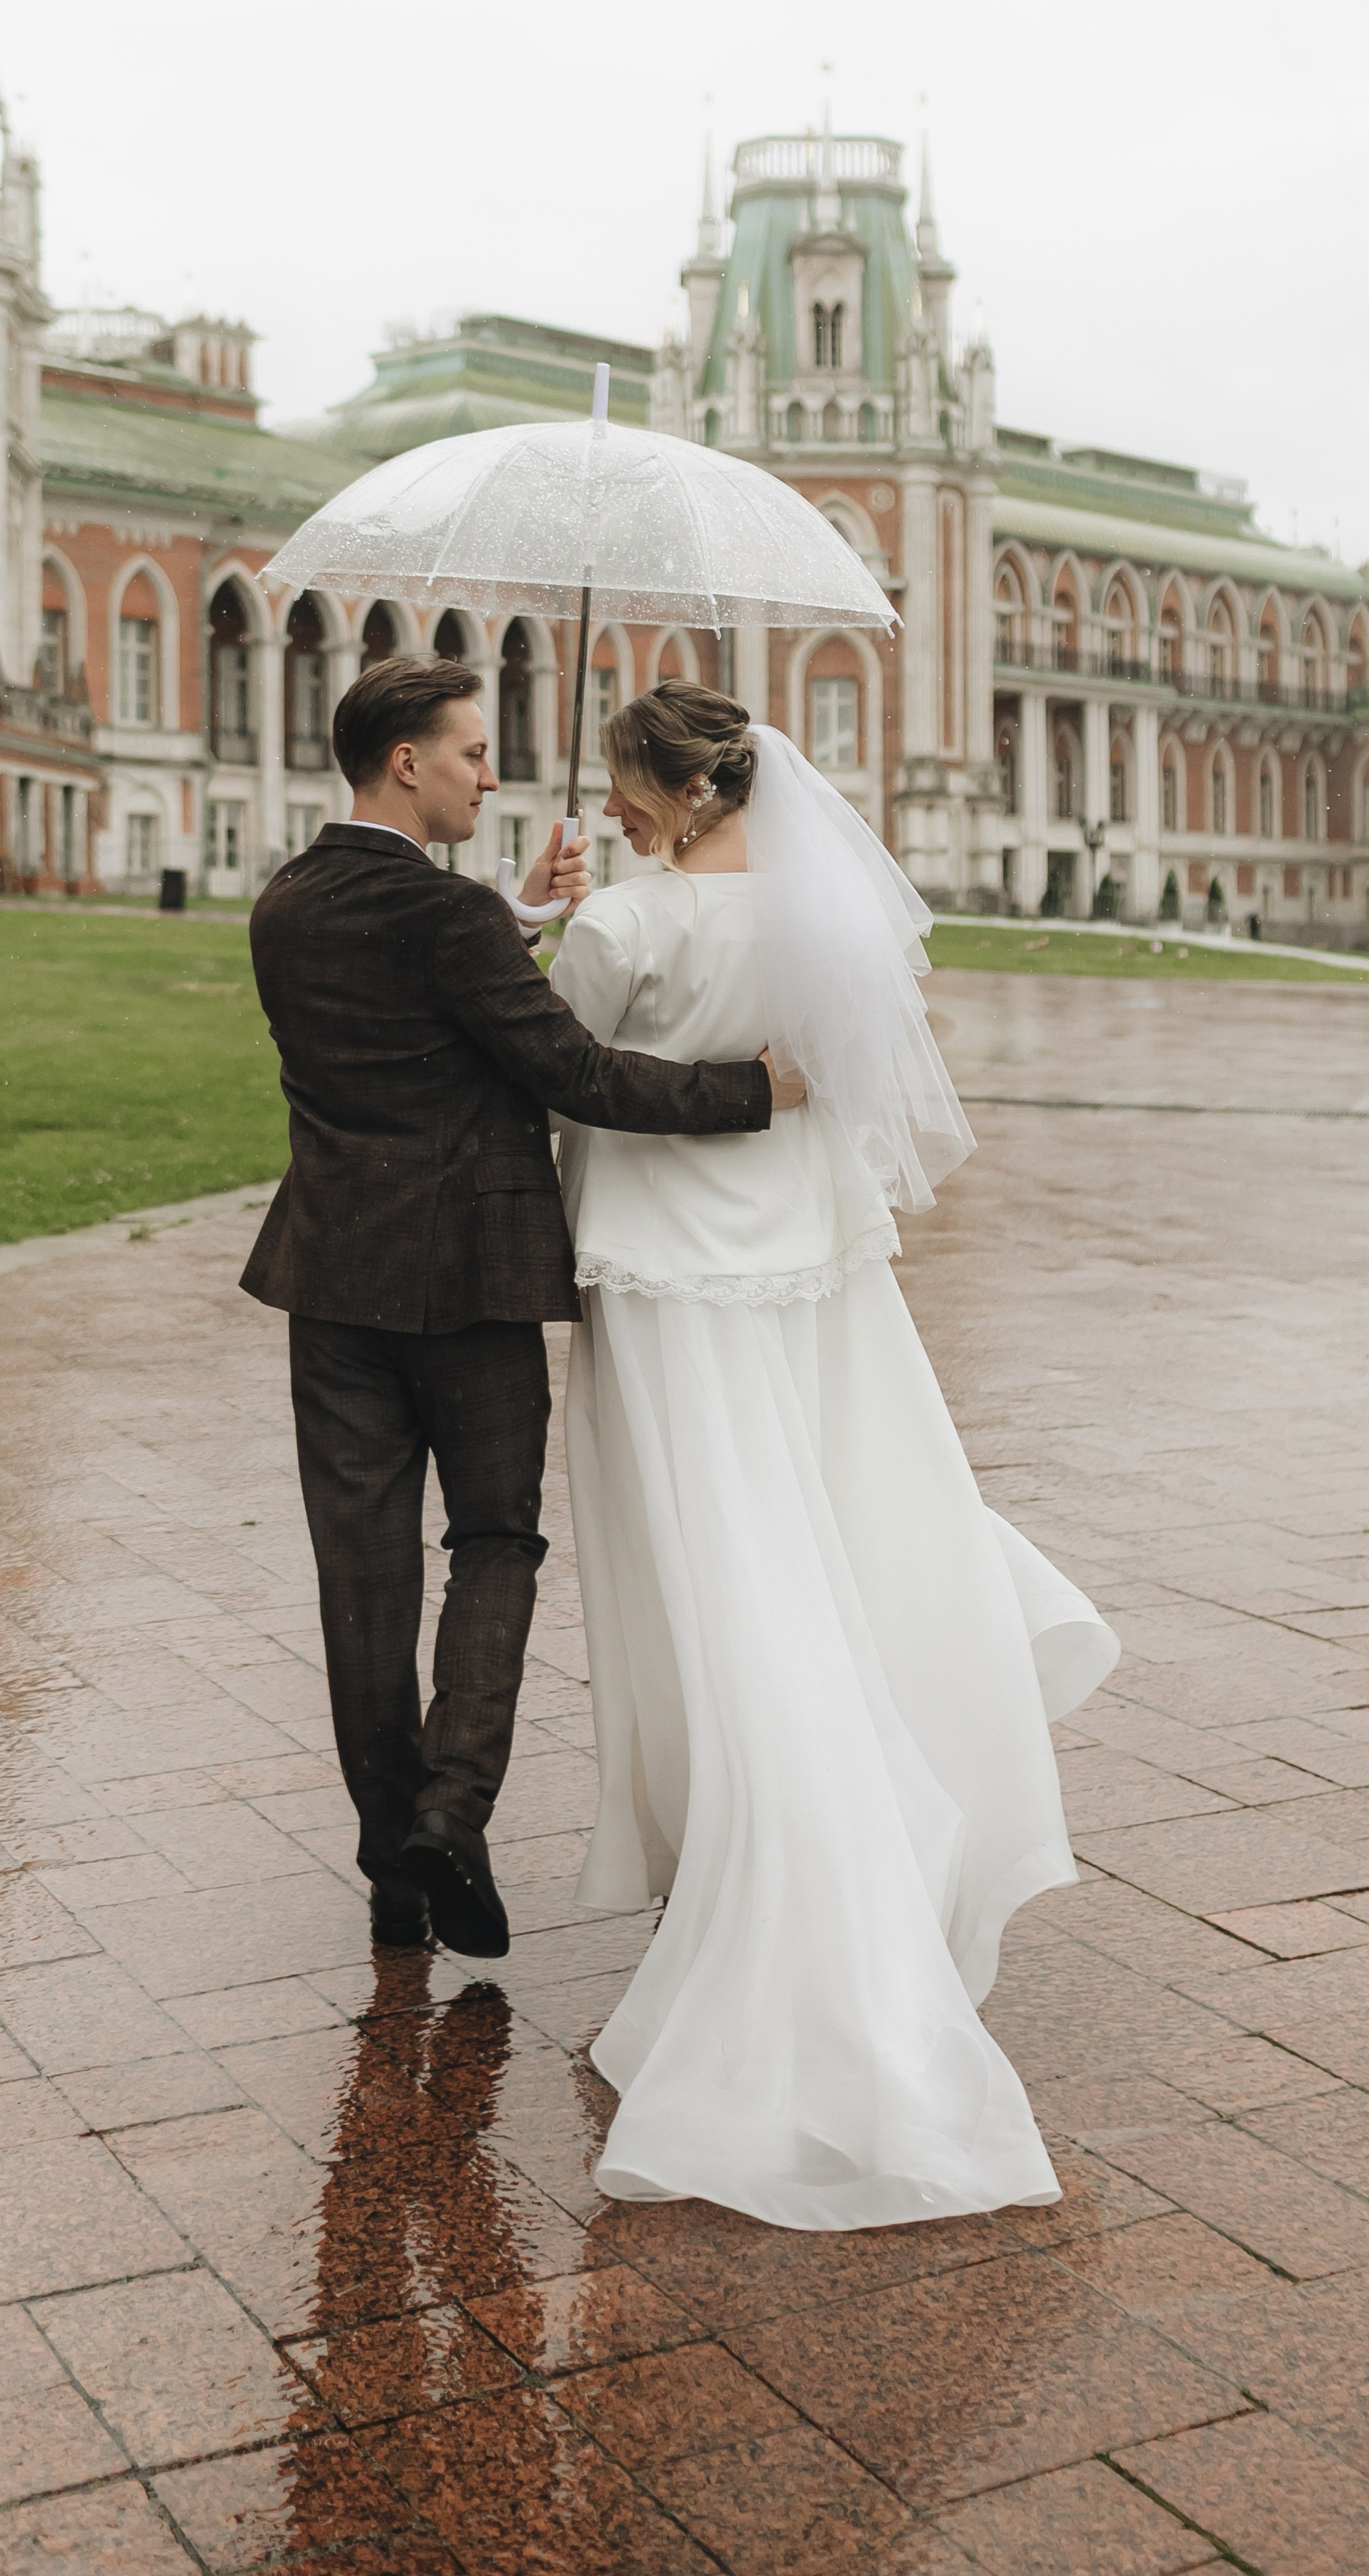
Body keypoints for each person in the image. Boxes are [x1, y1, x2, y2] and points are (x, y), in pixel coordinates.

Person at [549, 680, 1120, 2231]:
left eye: (619, 786)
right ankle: (841, 1815)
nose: (609, 811)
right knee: (810, 1538)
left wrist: (549, 922)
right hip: (807, 1278)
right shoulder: (827, 923)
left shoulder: (623, 925)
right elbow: (840, 1096)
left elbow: (555, 1073)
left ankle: (793, 1877)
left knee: (718, 1578)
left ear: (675, 790)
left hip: (666, 1294)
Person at [242, 655, 803, 1964]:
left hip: (330, 1278)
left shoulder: (287, 900)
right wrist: (749, 1094)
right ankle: (453, 1813)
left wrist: (511, 914)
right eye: (472, 753)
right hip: (475, 1279)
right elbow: (573, 1070)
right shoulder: (453, 925)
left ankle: (396, 1865)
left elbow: (410, 977)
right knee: (496, 1541)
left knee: (360, 1572)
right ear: (407, 764)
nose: (489, 775)